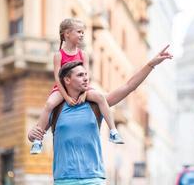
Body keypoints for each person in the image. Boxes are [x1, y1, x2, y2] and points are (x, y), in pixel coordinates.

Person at [28, 45, 172, 184]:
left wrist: (151, 64)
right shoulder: (56, 109)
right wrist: (32, 134)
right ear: (67, 80)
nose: (86, 78)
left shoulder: (96, 104)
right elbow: (34, 135)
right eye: (80, 75)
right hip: (64, 180)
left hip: (94, 179)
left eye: (86, 74)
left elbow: (129, 86)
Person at [30, 18, 124, 154]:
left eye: (83, 32)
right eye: (79, 32)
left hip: (82, 89)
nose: (82, 35)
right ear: (67, 34)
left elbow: (87, 76)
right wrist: (66, 97)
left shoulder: (83, 54)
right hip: (62, 89)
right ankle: (38, 141)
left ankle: (113, 131)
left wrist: (84, 94)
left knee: (99, 97)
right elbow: (57, 78)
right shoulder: (58, 55)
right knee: (49, 105)